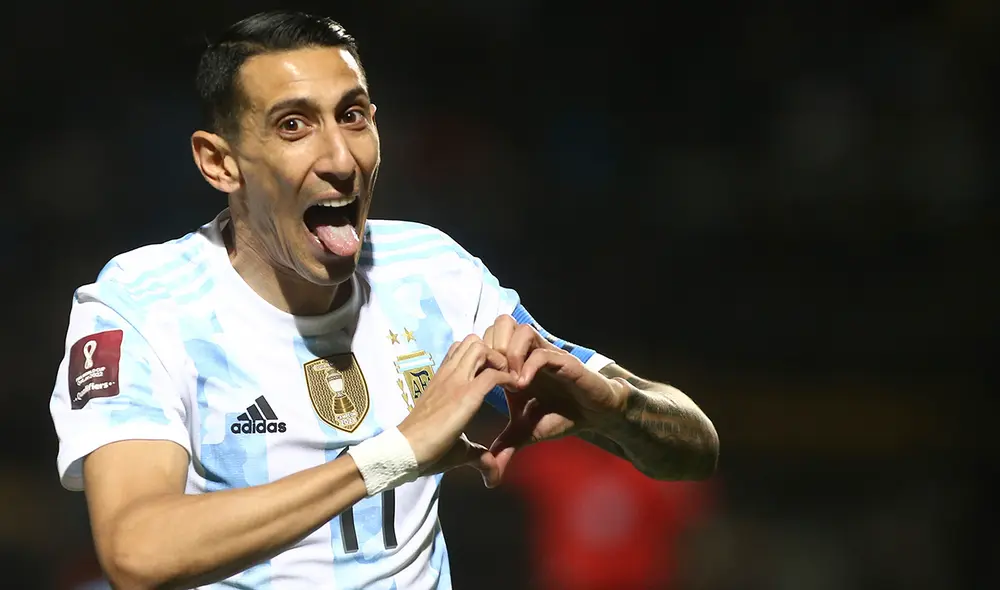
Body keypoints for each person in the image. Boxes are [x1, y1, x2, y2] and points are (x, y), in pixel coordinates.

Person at [48, 10, 719, 590]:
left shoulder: (431, 273)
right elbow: (136, 551)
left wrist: (612, 407)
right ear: (220, 162)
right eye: (293, 125)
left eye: (354, 115)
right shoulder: (143, 305)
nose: (341, 157)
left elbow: (694, 447)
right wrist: (397, 451)